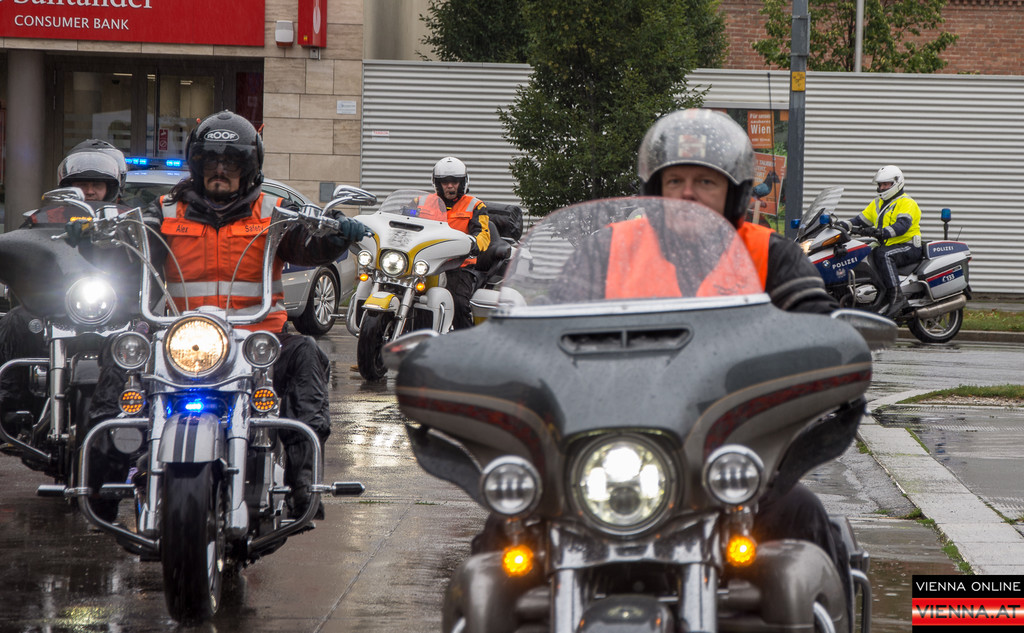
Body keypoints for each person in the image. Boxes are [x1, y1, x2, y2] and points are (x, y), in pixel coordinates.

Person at [84, 110, 372, 520]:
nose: (220, 171)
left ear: (248, 168)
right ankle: (103, 482)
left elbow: (309, 244)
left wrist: (337, 234)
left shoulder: (273, 213)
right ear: (197, 166)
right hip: (180, 337)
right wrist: (94, 239)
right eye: (210, 163)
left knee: (308, 354)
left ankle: (303, 482)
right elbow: (128, 252)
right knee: (122, 352)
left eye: (231, 163)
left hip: (260, 343)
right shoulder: (164, 212)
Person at [634, 108, 851, 607]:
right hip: (623, 455)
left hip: (737, 459)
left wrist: (837, 351)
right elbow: (548, 325)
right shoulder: (614, 250)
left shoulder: (771, 256)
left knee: (803, 518)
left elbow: (822, 329)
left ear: (734, 193)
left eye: (705, 182)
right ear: (655, 189)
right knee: (510, 532)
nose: (687, 194)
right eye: (675, 181)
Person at [0, 144, 126, 435]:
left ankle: (137, 411)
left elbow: (149, 256)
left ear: (111, 188)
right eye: (82, 184)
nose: (89, 191)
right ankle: (12, 410)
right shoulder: (44, 217)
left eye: (96, 185)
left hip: (114, 307)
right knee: (15, 321)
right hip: (58, 304)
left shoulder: (129, 218)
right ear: (66, 187)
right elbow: (23, 249)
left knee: (146, 335)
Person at [836, 165, 922, 318]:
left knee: (883, 255)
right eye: (880, 185)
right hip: (888, 245)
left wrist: (881, 232)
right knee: (861, 252)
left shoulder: (907, 203)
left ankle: (897, 296)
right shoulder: (877, 203)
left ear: (897, 182)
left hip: (908, 246)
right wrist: (841, 225)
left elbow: (902, 226)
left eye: (886, 184)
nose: (882, 188)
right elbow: (860, 220)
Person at [420, 156, 492, 330]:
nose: (450, 186)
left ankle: (465, 342)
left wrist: (473, 243)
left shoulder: (475, 205)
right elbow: (404, 219)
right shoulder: (421, 202)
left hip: (458, 266)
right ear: (437, 183)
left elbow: (483, 234)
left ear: (463, 182)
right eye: (445, 182)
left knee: (458, 302)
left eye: (454, 181)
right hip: (425, 264)